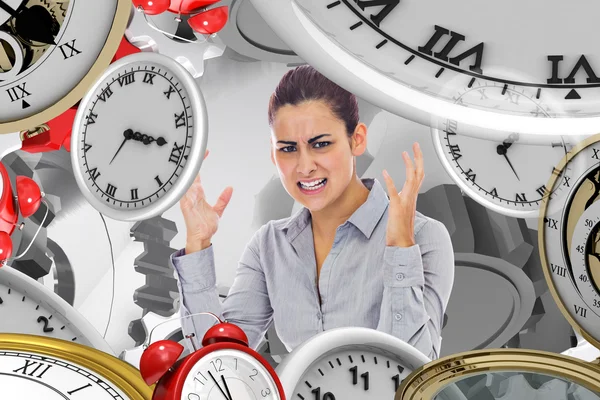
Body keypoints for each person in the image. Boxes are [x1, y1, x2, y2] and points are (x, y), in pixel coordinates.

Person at [170, 65, 454, 360]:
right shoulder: (269, 245)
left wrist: (400, 250)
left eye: (320, 144)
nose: (304, 166)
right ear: (273, 154)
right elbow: (217, 363)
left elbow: (413, 369)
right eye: (288, 149)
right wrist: (198, 243)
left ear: (356, 139)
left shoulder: (423, 237)